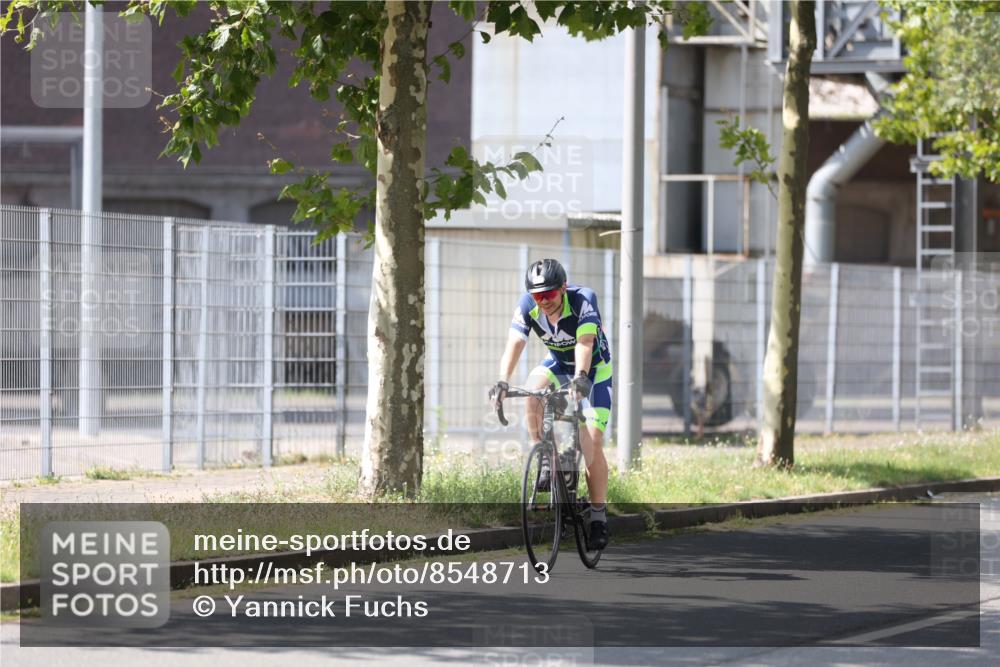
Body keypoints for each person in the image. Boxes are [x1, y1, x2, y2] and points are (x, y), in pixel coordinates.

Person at [490, 258, 613, 550]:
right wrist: (503, 381)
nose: (543, 301)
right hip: (557, 364)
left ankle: (598, 516)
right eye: (537, 296)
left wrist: (581, 377)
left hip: (593, 370)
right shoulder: (527, 305)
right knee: (533, 391)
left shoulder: (584, 300)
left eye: (549, 294)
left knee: (592, 443)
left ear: (563, 288)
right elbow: (514, 344)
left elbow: (585, 343)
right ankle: (544, 455)